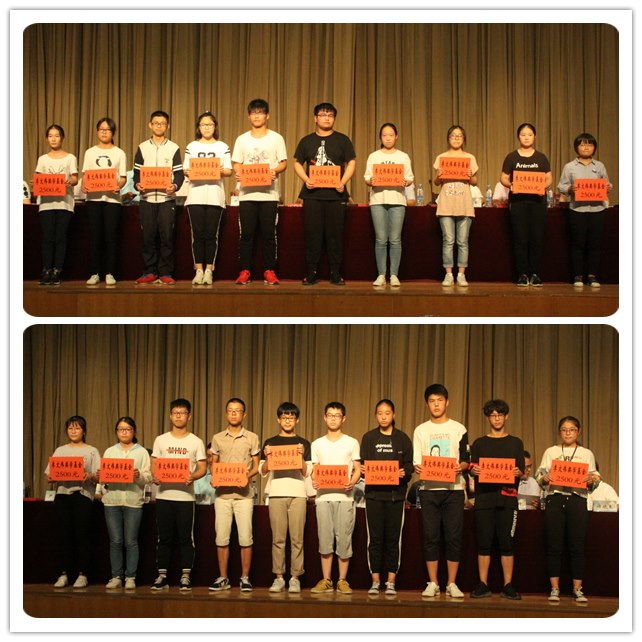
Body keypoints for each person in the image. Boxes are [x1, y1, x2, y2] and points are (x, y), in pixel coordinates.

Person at [412, 383, 469, 599]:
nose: (436, 405)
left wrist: (460, 467)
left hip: (454, 490)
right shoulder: (421, 430)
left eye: (440, 400)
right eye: (432, 401)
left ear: (447, 402)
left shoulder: (459, 428)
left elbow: (466, 460)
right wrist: (419, 468)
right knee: (430, 536)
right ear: (427, 404)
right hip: (429, 490)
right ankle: (433, 582)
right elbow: (417, 462)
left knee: (453, 536)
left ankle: (452, 583)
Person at [535, 416, 600, 603]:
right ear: (559, 432)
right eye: (564, 430)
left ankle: (577, 589)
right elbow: (539, 475)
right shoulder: (551, 451)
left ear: (578, 432)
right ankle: (554, 588)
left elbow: (596, 477)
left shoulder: (586, 453)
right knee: (554, 545)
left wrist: (591, 480)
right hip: (555, 500)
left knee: (577, 546)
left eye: (571, 430)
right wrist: (544, 478)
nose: (568, 433)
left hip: (577, 501)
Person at [293, 102, 356, 285]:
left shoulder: (343, 140)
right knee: (313, 235)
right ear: (315, 118)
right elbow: (297, 162)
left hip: (336, 196)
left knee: (335, 236)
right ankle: (311, 272)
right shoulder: (306, 141)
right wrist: (306, 179)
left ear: (334, 119)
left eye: (330, 115)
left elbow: (351, 162)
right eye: (323, 115)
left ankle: (335, 273)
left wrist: (343, 182)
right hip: (312, 195)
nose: (327, 118)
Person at [469, 399, 525, 600]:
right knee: (483, 543)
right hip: (484, 498)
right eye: (493, 415)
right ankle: (483, 584)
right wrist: (473, 470)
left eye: (500, 415)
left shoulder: (516, 443)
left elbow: (521, 470)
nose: (497, 419)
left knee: (507, 543)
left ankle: (507, 585)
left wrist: (518, 472)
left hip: (507, 500)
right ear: (487, 418)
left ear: (506, 416)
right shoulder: (479, 443)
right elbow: (472, 467)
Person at [150, 398, 207, 591]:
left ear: (189, 416)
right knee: (164, 538)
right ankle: (162, 575)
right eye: (175, 413)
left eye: (182, 413)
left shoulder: (196, 441)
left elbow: (202, 467)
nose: (178, 416)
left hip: (185, 498)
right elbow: (154, 462)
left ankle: (185, 576)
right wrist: (155, 475)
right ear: (170, 415)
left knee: (185, 538)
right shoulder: (161, 440)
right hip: (164, 496)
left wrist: (193, 476)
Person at [231, 98, 288, 285]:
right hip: (247, 194)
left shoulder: (276, 138)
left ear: (267, 116)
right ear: (249, 116)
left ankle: (269, 270)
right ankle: (244, 270)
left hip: (269, 194)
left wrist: (275, 171)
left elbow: (283, 163)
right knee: (246, 234)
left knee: (269, 234)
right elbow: (236, 162)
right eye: (253, 113)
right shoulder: (242, 139)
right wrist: (239, 172)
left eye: (260, 112)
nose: (257, 116)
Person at [360, 399, 413, 596]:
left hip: (395, 497)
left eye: (387, 413)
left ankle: (391, 581)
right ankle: (375, 581)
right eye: (380, 413)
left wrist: (404, 472)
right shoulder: (368, 438)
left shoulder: (402, 439)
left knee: (393, 539)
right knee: (374, 539)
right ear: (376, 415)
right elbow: (363, 465)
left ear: (394, 415)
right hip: (374, 496)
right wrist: (363, 470)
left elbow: (409, 466)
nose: (383, 417)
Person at [208, 398, 261, 592]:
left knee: (246, 538)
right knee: (221, 538)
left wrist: (246, 476)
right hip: (222, 496)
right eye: (230, 410)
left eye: (237, 410)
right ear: (226, 414)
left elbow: (256, 466)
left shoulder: (252, 437)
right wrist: (214, 476)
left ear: (244, 414)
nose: (233, 413)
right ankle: (223, 577)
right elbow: (213, 463)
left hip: (244, 495)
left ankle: (245, 577)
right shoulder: (217, 438)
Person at [259, 402, 311, 593]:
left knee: (297, 539)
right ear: (278, 419)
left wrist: (301, 457)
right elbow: (262, 471)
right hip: (276, 494)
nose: (287, 421)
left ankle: (295, 577)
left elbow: (307, 472)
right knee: (278, 539)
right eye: (284, 417)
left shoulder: (303, 443)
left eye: (291, 417)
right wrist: (268, 457)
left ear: (297, 420)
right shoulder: (270, 442)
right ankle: (279, 577)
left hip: (298, 494)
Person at [310, 402, 361, 594]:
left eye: (337, 415)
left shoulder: (351, 442)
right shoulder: (317, 444)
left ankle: (342, 580)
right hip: (323, 498)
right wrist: (315, 481)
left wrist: (352, 482)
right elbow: (315, 470)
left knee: (344, 538)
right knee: (325, 538)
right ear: (324, 418)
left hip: (345, 498)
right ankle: (326, 579)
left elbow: (357, 468)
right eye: (330, 415)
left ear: (343, 418)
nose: (333, 418)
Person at [45, 416, 100, 588]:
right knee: (64, 536)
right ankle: (63, 573)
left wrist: (90, 475)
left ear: (84, 431)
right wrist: (52, 476)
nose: (74, 431)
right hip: (63, 496)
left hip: (82, 496)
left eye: (77, 428)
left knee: (82, 535)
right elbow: (49, 475)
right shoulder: (60, 450)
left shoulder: (92, 451)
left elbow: (100, 476)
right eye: (70, 428)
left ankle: (83, 574)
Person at [133, 110, 185, 285]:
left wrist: (174, 186)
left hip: (166, 200)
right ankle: (149, 271)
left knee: (167, 237)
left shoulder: (173, 147)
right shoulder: (142, 147)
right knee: (148, 237)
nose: (159, 126)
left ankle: (165, 272)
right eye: (156, 123)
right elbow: (137, 173)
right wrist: (138, 184)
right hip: (147, 199)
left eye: (162, 123)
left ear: (167, 126)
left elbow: (179, 174)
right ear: (150, 125)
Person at [101, 417, 152, 589]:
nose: (124, 432)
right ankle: (116, 576)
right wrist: (101, 476)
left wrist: (139, 476)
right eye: (121, 429)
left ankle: (130, 576)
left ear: (134, 431)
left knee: (131, 541)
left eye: (128, 429)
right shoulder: (110, 451)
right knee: (115, 541)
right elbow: (104, 479)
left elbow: (148, 477)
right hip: (112, 501)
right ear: (116, 432)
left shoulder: (142, 452)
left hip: (133, 501)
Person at [500, 122, 553, 287]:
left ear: (534, 137)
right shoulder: (511, 157)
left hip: (538, 203)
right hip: (518, 203)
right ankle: (522, 274)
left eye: (529, 134)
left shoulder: (541, 157)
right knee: (520, 239)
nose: (526, 137)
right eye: (523, 134)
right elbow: (503, 177)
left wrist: (542, 187)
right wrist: (511, 185)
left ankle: (535, 273)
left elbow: (549, 178)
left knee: (536, 238)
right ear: (518, 137)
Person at [183, 111, 233, 285]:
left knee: (212, 234)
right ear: (198, 127)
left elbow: (229, 170)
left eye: (210, 125)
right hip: (195, 196)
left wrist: (220, 170)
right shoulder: (192, 146)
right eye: (203, 125)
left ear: (215, 127)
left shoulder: (222, 146)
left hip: (215, 196)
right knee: (198, 235)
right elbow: (186, 170)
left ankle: (209, 270)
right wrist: (190, 171)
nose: (206, 128)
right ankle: (198, 270)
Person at [557, 133, 612, 288]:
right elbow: (561, 186)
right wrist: (570, 188)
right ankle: (578, 275)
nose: (586, 147)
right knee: (577, 244)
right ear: (577, 147)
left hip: (598, 209)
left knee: (595, 244)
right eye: (582, 144)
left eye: (589, 144)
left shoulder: (599, 166)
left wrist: (607, 187)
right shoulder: (570, 167)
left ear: (594, 147)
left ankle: (592, 276)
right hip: (577, 210)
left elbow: (607, 183)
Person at [364, 123, 414, 287]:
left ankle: (393, 274)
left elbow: (410, 178)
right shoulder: (374, 156)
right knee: (380, 239)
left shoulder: (403, 156)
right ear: (381, 137)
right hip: (378, 200)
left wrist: (405, 181)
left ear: (396, 137)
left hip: (398, 201)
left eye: (391, 135)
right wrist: (371, 180)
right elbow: (367, 178)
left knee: (395, 239)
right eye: (385, 135)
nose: (388, 138)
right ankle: (381, 274)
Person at [82, 117, 127, 286]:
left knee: (111, 237)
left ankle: (110, 273)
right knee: (95, 237)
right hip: (93, 199)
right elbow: (86, 175)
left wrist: (118, 186)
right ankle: (94, 273)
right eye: (101, 129)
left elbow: (123, 177)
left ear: (113, 132)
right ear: (96, 132)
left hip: (112, 201)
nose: (104, 132)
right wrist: (85, 185)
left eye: (107, 130)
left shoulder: (119, 153)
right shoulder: (89, 152)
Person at [433, 125, 479, 287]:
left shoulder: (469, 158)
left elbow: (475, 182)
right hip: (446, 204)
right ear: (448, 138)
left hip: (464, 204)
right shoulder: (442, 157)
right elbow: (437, 182)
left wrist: (470, 176)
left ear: (463, 138)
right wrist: (438, 176)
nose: (456, 138)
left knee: (462, 241)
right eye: (453, 135)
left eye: (459, 136)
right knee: (448, 240)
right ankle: (448, 274)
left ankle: (461, 274)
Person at [34, 124, 78, 286]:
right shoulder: (42, 159)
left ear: (63, 138)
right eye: (50, 136)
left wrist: (69, 181)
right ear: (47, 138)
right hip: (46, 203)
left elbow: (75, 178)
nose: (53, 139)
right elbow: (38, 178)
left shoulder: (70, 158)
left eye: (57, 135)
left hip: (64, 203)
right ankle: (46, 269)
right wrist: (36, 183)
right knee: (47, 237)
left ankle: (57, 270)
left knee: (60, 237)